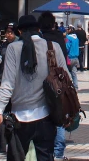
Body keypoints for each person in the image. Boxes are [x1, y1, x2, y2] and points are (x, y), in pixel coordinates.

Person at [0, 14, 68, 161]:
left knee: (16, 157)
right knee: (45, 156)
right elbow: (66, 80)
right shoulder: (53, 47)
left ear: (19, 31)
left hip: (19, 116)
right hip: (46, 114)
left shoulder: (13, 48)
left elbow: (8, 82)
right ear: (38, 29)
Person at [39, 11, 70, 161]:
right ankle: (58, 153)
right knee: (59, 118)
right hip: (57, 83)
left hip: (41, 84)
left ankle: (47, 150)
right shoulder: (58, 39)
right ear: (53, 24)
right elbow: (64, 63)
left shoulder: (39, 39)